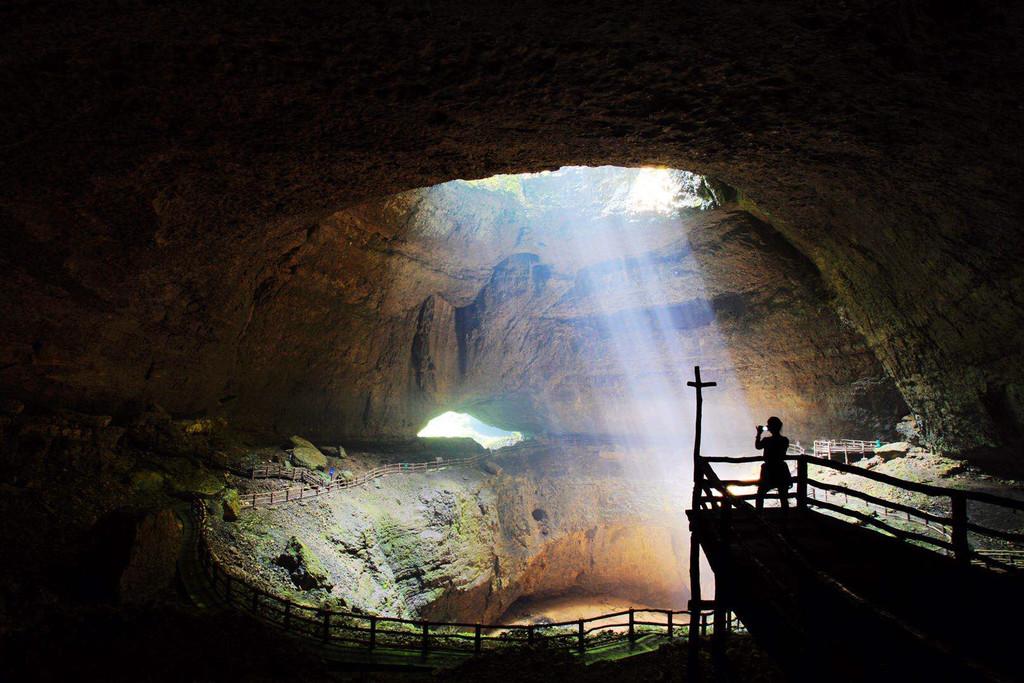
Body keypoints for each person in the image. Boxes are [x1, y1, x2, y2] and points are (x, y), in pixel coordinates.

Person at [755, 416, 792, 511]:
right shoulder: (784, 440)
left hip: (769, 470)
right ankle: (785, 520)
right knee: (783, 497)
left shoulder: (767, 440)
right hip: (781, 469)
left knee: (760, 496)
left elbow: (758, 446)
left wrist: (759, 434)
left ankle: (759, 517)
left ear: (770, 427)